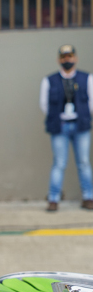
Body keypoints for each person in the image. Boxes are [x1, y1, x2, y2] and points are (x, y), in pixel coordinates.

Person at [40, 44, 93, 212]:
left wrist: (83, 115)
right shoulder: (49, 80)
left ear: (75, 58)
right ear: (59, 60)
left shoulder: (87, 78)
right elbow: (44, 105)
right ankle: (54, 198)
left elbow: (91, 102)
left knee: (84, 162)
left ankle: (88, 197)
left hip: (81, 125)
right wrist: (58, 117)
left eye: (70, 56)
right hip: (60, 126)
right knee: (59, 163)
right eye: (64, 57)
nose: (67, 60)